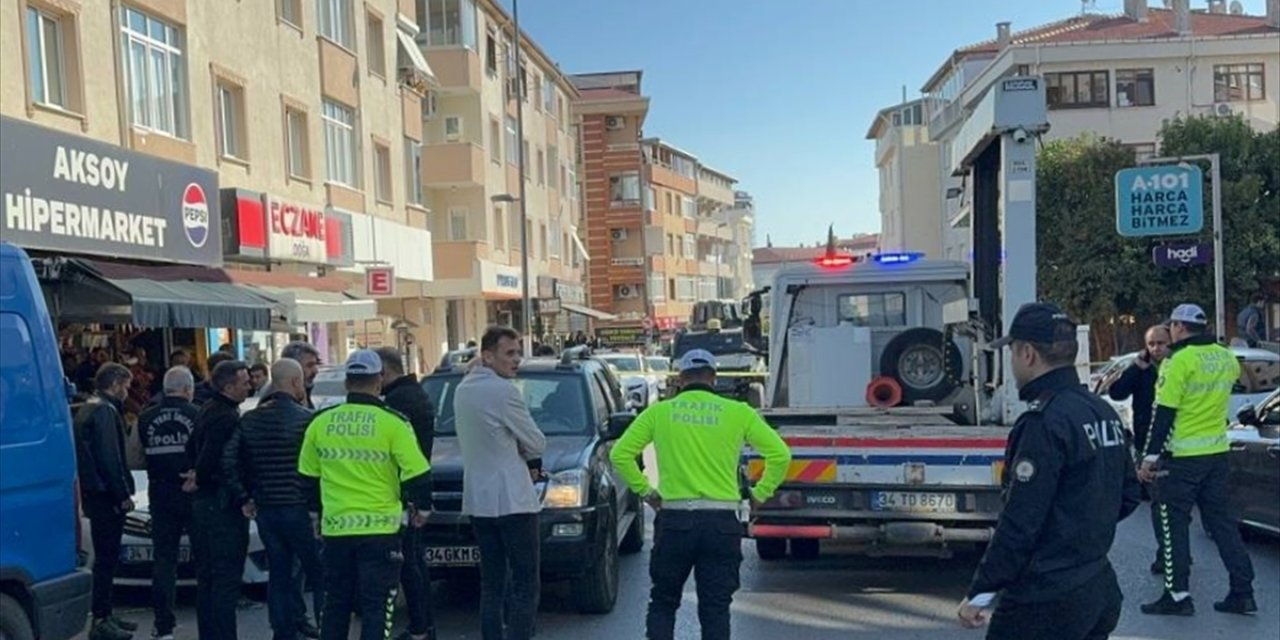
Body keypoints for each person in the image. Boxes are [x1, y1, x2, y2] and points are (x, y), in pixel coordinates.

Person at [958, 303, 1142, 640]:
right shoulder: (1101, 411)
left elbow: (1020, 521)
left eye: (1012, 352)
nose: (1012, 362)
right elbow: (1129, 494)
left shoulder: (1044, 423)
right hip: (1096, 586)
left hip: (1043, 599)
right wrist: (1080, 528)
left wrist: (981, 592)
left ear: (1027, 353)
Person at [608, 349, 791, 640]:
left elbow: (620, 455)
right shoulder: (738, 412)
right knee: (716, 606)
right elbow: (780, 455)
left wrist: (646, 492)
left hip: (675, 519)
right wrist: (759, 494)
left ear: (680, 379)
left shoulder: (659, 412)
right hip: (721, 522)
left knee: (664, 602)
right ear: (713, 378)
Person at [298, 349, 433, 640]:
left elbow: (307, 477)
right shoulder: (394, 422)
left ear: (347, 382)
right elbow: (418, 472)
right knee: (376, 608)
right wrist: (422, 509)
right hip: (380, 530)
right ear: (379, 380)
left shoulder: (320, 423)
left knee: (335, 604)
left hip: (336, 529)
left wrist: (314, 516)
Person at [1139, 303, 1257, 617]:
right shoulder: (1225, 356)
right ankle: (1243, 591)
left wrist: (1148, 458)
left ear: (1178, 327)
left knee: (1173, 525)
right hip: (1217, 454)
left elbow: (1163, 414)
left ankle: (1177, 596)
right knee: (1223, 525)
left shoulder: (1177, 361)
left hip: (1181, 459)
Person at [453, 327, 546, 640]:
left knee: (491, 584)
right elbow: (537, 443)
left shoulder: (463, 388)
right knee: (525, 584)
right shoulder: (504, 391)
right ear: (488, 356)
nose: (516, 360)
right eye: (509, 353)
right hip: (513, 501)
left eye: (518, 352)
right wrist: (520, 445)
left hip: (479, 501)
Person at [227, 359, 324, 640]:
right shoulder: (306, 419)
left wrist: (244, 496)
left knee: (279, 573)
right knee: (319, 574)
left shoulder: (250, 420)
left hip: (267, 508)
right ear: (295, 382)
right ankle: (327, 627)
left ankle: (282, 632)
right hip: (301, 509)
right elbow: (319, 467)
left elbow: (229, 460)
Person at [185, 360, 253, 640]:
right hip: (220, 506)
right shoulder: (226, 417)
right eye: (244, 382)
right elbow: (218, 459)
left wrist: (194, 474)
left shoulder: (207, 409)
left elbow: (192, 447)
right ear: (228, 386)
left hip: (205, 505)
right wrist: (201, 476)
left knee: (208, 579)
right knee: (225, 580)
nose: (250, 385)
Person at [375, 347, 438, 640]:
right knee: (414, 563)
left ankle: (419, 627)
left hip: (403, 490)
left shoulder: (398, 401)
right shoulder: (415, 393)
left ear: (384, 372)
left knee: (409, 564)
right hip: (411, 488)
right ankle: (422, 624)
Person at [74, 363, 139, 640]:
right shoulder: (105, 411)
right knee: (106, 558)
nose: (127, 392)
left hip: (95, 493)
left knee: (106, 558)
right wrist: (122, 494)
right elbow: (110, 456)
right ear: (114, 384)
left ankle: (106, 614)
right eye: (125, 386)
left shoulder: (89, 406)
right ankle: (102, 619)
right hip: (105, 496)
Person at [136, 367, 200, 640]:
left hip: (160, 494)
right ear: (187, 389)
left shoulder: (145, 417)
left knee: (164, 561)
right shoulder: (198, 414)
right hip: (194, 493)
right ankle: (209, 619)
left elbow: (134, 459)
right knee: (204, 557)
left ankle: (164, 626)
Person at [283, 341, 323, 409]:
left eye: (315, 364)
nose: (315, 371)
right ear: (293, 367)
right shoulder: (280, 401)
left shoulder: (302, 394)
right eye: (309, 365)